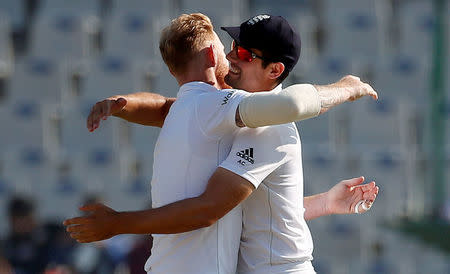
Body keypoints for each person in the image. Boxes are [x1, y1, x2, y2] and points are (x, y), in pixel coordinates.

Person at [64, 14, 378, 273]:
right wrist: (324, 202)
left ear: (275, 70)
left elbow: (209, 208)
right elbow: (169, 109)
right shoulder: (230, 114)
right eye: (232, 47)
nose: (231, 57)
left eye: (243, 54)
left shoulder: (269, 126)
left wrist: (346, 87)